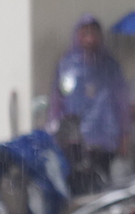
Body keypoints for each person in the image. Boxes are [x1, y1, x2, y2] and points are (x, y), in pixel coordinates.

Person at [47, 15, 130, 192]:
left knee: (104, 184)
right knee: (76, 185)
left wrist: (124, 136)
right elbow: (58, 101)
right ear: (77, 35)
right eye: (85, 33)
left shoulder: (110, 66)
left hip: (106, 138)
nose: (90, 38)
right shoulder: (67, 65)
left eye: (94, 33)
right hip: (74, 140)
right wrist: (56, 132)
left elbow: (121, 104)